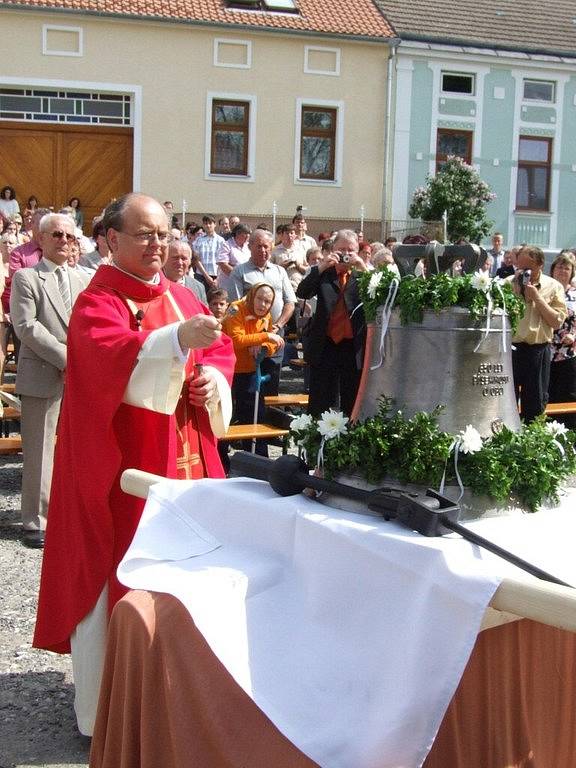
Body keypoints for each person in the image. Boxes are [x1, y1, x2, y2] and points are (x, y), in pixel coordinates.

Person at [33, 193, 235, 736]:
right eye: (144, 234)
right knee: (114, 576)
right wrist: (172, 343)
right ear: (111, 240)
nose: (157, 245)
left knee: (186, 579)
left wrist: (210, 380)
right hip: (120, 472)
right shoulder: (98, 299)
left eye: (164, 234)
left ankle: (178, 699)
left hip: (186, 463)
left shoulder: (186, 298)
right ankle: (106, 717)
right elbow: (105, 356)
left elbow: (219, 353)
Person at [10, 213, 91, 549]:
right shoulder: (26, 278)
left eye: (69, 236)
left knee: (78, 451)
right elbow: (27, 326)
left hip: (81, 379)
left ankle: (68, 514)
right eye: (56, 234)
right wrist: (66, 357)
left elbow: (90, 325)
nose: (63, 241)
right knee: (40, 452)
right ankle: (35, 521)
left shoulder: (84, 280)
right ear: (40, 238)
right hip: (43, 374)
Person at [296, 229, 368, 417]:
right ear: (332, 250)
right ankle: (317, 442)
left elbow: (380, 298)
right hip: (326, 344)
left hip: (352, 347)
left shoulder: (362, 275)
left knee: (351, 401)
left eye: (350, 250)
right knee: (320, 401)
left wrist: (362, 267)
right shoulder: (323, 272)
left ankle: (348, 442)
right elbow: (302, 292)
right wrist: (320, 267)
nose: (345, 255)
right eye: (341, 250)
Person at [229, 228, 296, 396]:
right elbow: (236, 307)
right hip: (249, 345)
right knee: (250, 394)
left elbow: (290, 303)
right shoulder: (239, 272)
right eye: (258, 246)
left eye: (266, 246)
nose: (263, 250)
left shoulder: (280, 272)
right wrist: (253, 341)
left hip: (274, 338)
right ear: (250, 246)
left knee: (271, 389)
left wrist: (277, 326)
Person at [508, 245, 567, 422]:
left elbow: (556, 322)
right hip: (511, 350)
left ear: (540, 265)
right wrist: (515, 293)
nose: (524, 272)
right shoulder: (508, 283)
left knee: (535, 405)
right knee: (506, 401)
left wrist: (537, 298)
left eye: (528, 269)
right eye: (520, 267)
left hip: (537, 351)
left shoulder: (554, 287)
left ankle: (530, 444)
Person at [222, 283, 283, 454]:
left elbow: (273, 346)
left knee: (256, 416)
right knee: (227, 417)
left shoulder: (267, 316)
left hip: (250, 372)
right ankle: (222, 461)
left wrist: (262, 345)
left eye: (267, 301)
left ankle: (259, 460)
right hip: (229, 372)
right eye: (259, 299)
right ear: (252, 296)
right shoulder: (235, 309)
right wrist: (263, 337)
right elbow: (236, 339)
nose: (262, 305)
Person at [548, 251, 576, 427]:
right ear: (552, 270)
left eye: (567, 268)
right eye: (559, 267)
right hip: (546, 350)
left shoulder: (574, 295)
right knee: (547, 394)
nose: (562, 271)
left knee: (569, 394)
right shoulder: (545, 290)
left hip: (569, 353)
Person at [163, 239, 207, 304]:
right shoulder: (153, 283)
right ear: (164, 259)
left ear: (190, 261)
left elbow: (205, 312)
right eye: (175, 258)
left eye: (184, 258)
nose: (180, 262)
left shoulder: (198, 287)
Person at [192, 214, 225, 290]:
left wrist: (218, 278)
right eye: (206, 223)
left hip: (217, 276)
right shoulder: (198, 240)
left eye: (210, 223)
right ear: (203, 225)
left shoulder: (220, 240)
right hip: (201, 275)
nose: (208, 225)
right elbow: (196, 260)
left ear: (215, 224)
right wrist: (206, 276)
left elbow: (222, 260)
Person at [216, 223, 250, 293]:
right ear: (237, 234)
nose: (248, 236)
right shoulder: (226, 245)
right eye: (245, 234)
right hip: (228, 285)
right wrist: (239, 276)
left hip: (245, 285)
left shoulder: (248, 246)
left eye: (249, 234)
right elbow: (223, 264)